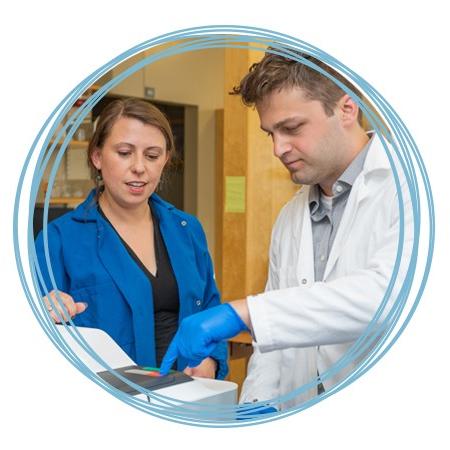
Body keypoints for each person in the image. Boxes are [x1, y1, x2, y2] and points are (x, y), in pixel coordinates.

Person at [159, 49, 412, 409]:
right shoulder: (291, 216)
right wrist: (256, 404)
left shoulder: (411, 189)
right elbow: (274, 343)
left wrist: (242, 313)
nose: (279, 148)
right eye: (270, 133)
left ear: (346, 108)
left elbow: (387, 296)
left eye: (292, 128)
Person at [35, 98, 228, 379]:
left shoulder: (187, 230)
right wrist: (43, 313)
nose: (139, 167)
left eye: (152, 156)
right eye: (125, 153)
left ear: (165, 161)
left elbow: (211, 308)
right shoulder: (59, 240)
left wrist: (211, 359)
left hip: (187, 397)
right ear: (97, 156)